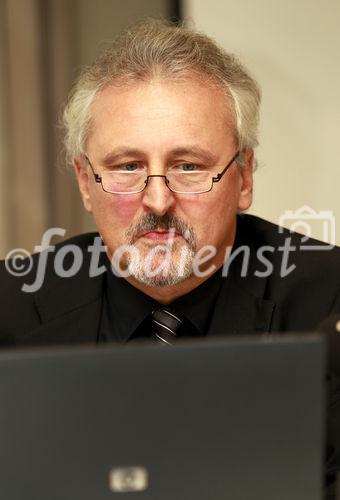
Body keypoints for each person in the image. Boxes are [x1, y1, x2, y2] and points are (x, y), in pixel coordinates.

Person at [0, 18, 339, 496]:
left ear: (243, 177)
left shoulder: (328, 302)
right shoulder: (11, 309)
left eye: (188, 166)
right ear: (83, 181)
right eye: (128, 166)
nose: (157, 201)